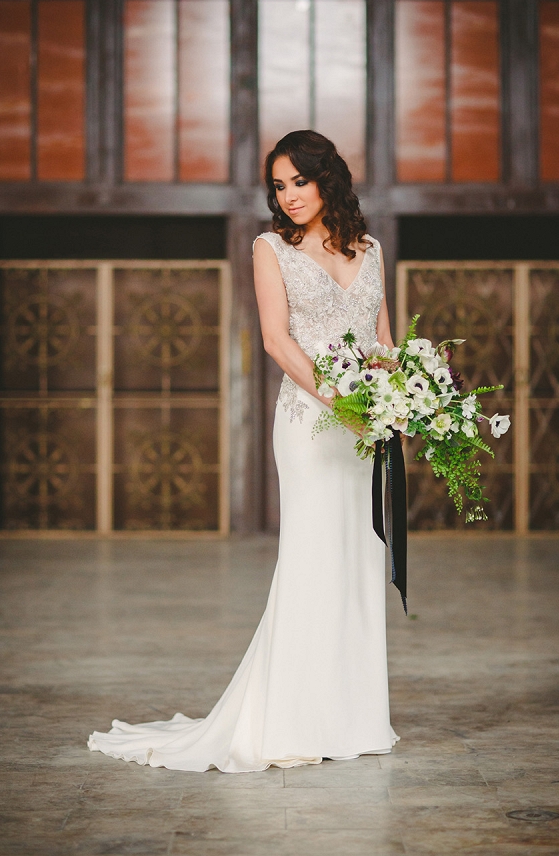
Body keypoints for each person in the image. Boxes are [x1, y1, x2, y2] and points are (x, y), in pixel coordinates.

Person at [87, 130, 400, 773]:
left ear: (328, 180)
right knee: (314, 558)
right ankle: (294, 720)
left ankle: (357, 717)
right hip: (311, 423)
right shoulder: (270, 249)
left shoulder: (370, 249)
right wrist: (340, 402)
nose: (288, 197)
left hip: (366, 425)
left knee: (361, 558)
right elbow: (277, 343)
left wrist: (399, 402)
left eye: (299, 182)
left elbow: (383, 337)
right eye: (278, 186)